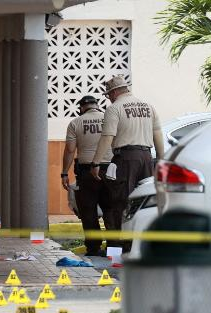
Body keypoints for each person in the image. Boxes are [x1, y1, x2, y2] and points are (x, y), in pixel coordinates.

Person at [89, 75, 165, 250]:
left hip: (125, 159)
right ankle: (144, 244)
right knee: (146, 201)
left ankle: (124, 246)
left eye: (108, 94)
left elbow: (108, 137)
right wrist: (160, 160)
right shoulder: (148, 107)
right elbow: (158, 134)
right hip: (147, 158)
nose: (108, 97)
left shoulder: (114, 108)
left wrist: (96, 163)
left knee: (120, 201)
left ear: (114, 92)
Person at [61, 95, 113, 256]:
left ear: (82, 107)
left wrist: (64, 173)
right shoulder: (109, 119)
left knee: (88, 211)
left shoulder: (75, 123)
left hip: (87, 172)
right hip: (110, 170)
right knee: (111, 209)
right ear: (97, 106)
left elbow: (70, 150)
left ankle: (93, 247)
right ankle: (114, 247)